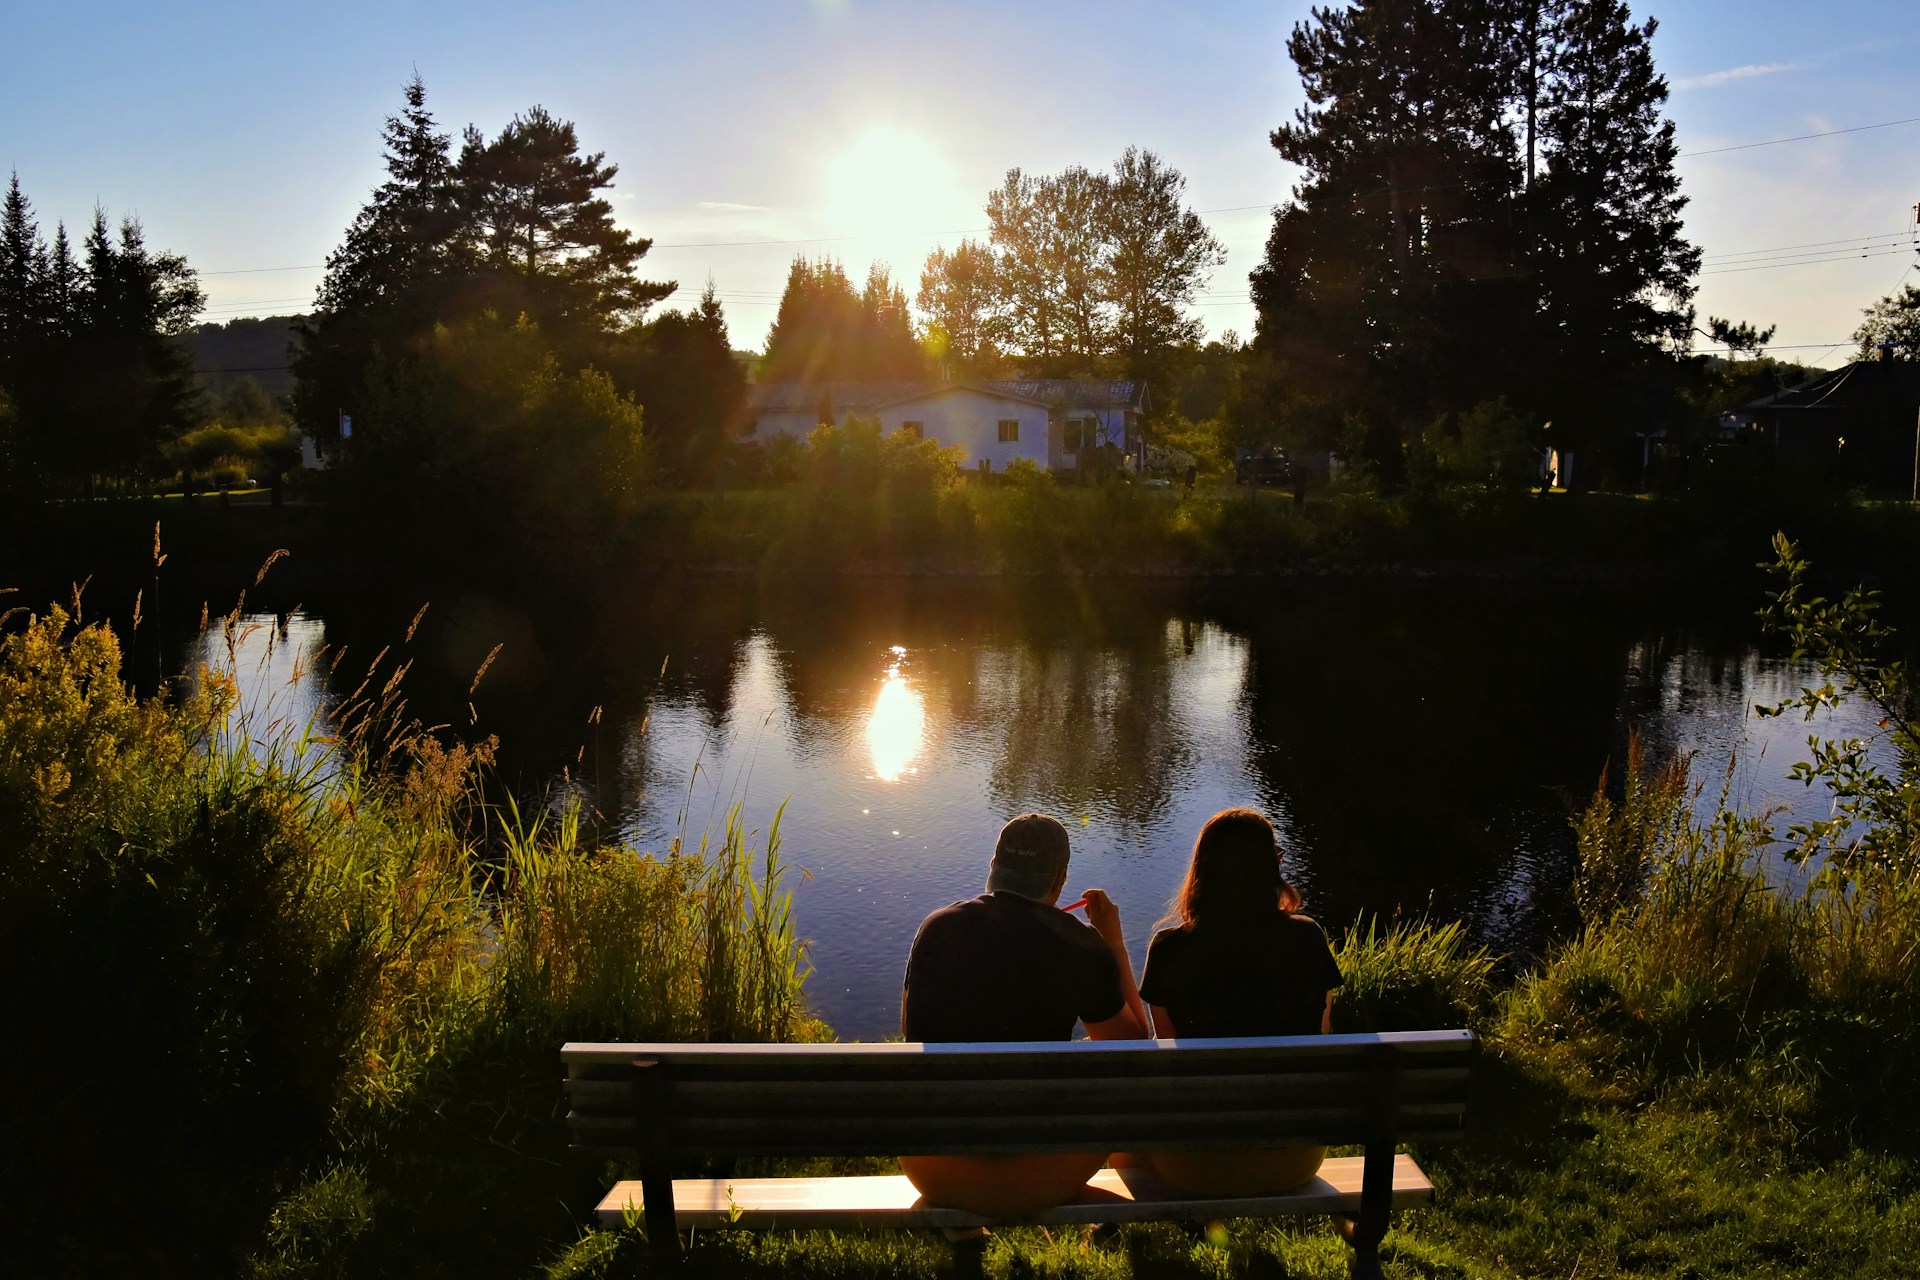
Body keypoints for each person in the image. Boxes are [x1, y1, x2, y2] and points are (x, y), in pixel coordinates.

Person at [898, 813, 1149, 1216]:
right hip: (1036, 1177)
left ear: (994, 869)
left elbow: (913, 1030)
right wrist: (1113, 944)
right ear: (1059, 881)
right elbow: (1136, 1050)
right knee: (1114, 1074)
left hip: (934, 1171)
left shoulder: (937, 929)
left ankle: (965, 1228)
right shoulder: (1079, 946)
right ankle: (1119, 1217)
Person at [1136, 807, 1342, 1195]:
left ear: (1201, 870)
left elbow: (1167, 1055)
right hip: (1293, 1159)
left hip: (1191, 1164)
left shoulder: (1169, 949)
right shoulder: (1307, 939)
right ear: (1272, 868)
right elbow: (1321, 1036)